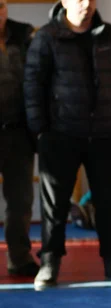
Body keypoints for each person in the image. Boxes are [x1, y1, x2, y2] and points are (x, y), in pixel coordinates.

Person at [24, 0, 111, 288]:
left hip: (107, 135)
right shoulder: (46, 36)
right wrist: (41, 129)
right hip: (60, 135)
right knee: (54, 206)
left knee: (109, 203)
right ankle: (49, 262)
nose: (85, 4)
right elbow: (33, 83)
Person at [0, 0, 39, 277]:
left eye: (1, 6)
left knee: (20, 200)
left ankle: (19, 256)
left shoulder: (25, 35)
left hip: (17, 132)